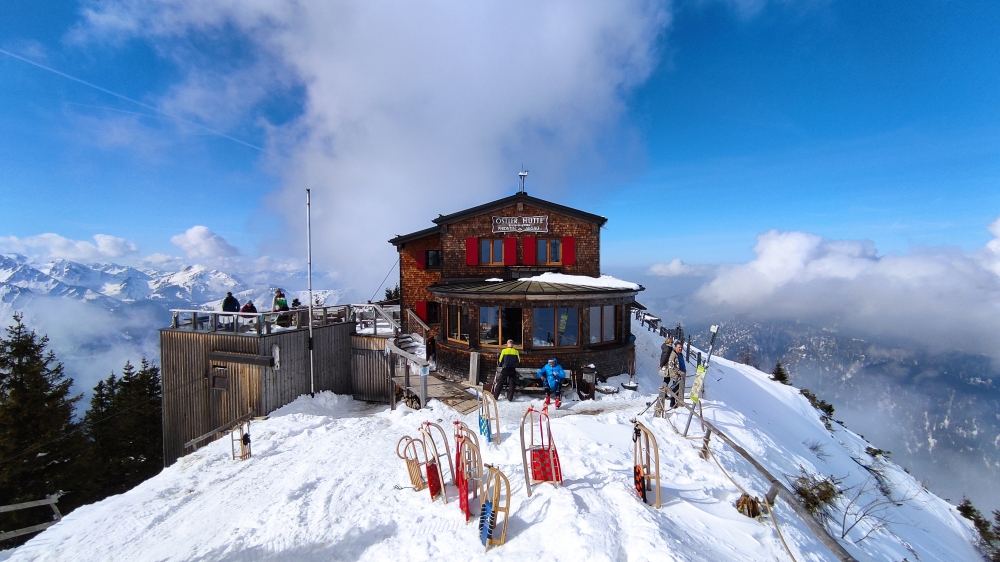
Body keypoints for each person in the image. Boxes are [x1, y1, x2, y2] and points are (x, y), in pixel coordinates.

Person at [659, 340, 686, 409]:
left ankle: (677, 402)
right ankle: (672, 403)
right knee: (675, 389)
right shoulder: (673, 355)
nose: (680, 348)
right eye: (679, 347)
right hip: (675, 375)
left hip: (680, 374)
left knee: (678, 389)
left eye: (681, 347)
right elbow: (671, 367)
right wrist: (679, 372)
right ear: (675, 347)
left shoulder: (679, 354)